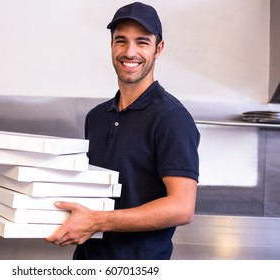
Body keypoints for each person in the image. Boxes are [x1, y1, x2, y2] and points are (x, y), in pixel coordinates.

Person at [46, 2, 200, 260]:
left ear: (158, 49)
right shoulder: (96, 117)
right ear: (111, 46)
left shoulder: (172, 118)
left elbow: (182, 207)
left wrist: (97, 221)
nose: (130, 52)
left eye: (142, 42)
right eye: (121, 41)